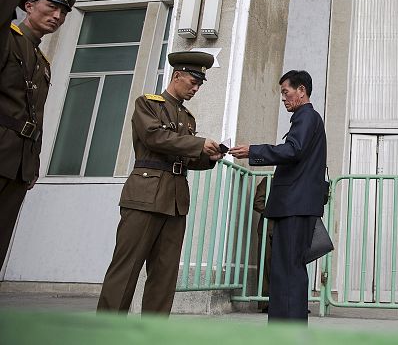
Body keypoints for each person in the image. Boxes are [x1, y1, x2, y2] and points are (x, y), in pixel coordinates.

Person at [97, 51, 222, 315]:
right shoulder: (148, 104)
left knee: (165, 275)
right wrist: (198, 144)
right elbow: (154, 138)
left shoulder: (187, 117)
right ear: (177, 76)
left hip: (175, 201)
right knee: (126, 268)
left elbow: (184, 157)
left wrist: (208, 157)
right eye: (193, 82)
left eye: (200, 85)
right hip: (145, 195)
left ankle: (152, 332)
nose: (196, 89)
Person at [230, 70, 327, 323]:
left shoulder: (306, 116)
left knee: (288, 270)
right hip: (296, 205)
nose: (283, 98)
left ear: (301, 91)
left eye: (286, 92)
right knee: (286, 269)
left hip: (295, 206)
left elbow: (293, 150)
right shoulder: (307, 118)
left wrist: (253, 151)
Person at [0, 0, 76, 267]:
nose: (57, 16)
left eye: (63, 12)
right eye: (51, 7)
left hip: (19, 164)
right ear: (29, 6)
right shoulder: (7, 39)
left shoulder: (42, 61)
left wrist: (32, 163)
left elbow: (36, 115)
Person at [252, 176, 274, 313]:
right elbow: (258, 203)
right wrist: (276, 213)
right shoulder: (268, 180)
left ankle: (287, 302)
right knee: (266, 265)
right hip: (268, 228)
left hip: (286, 229)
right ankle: (266, 303)